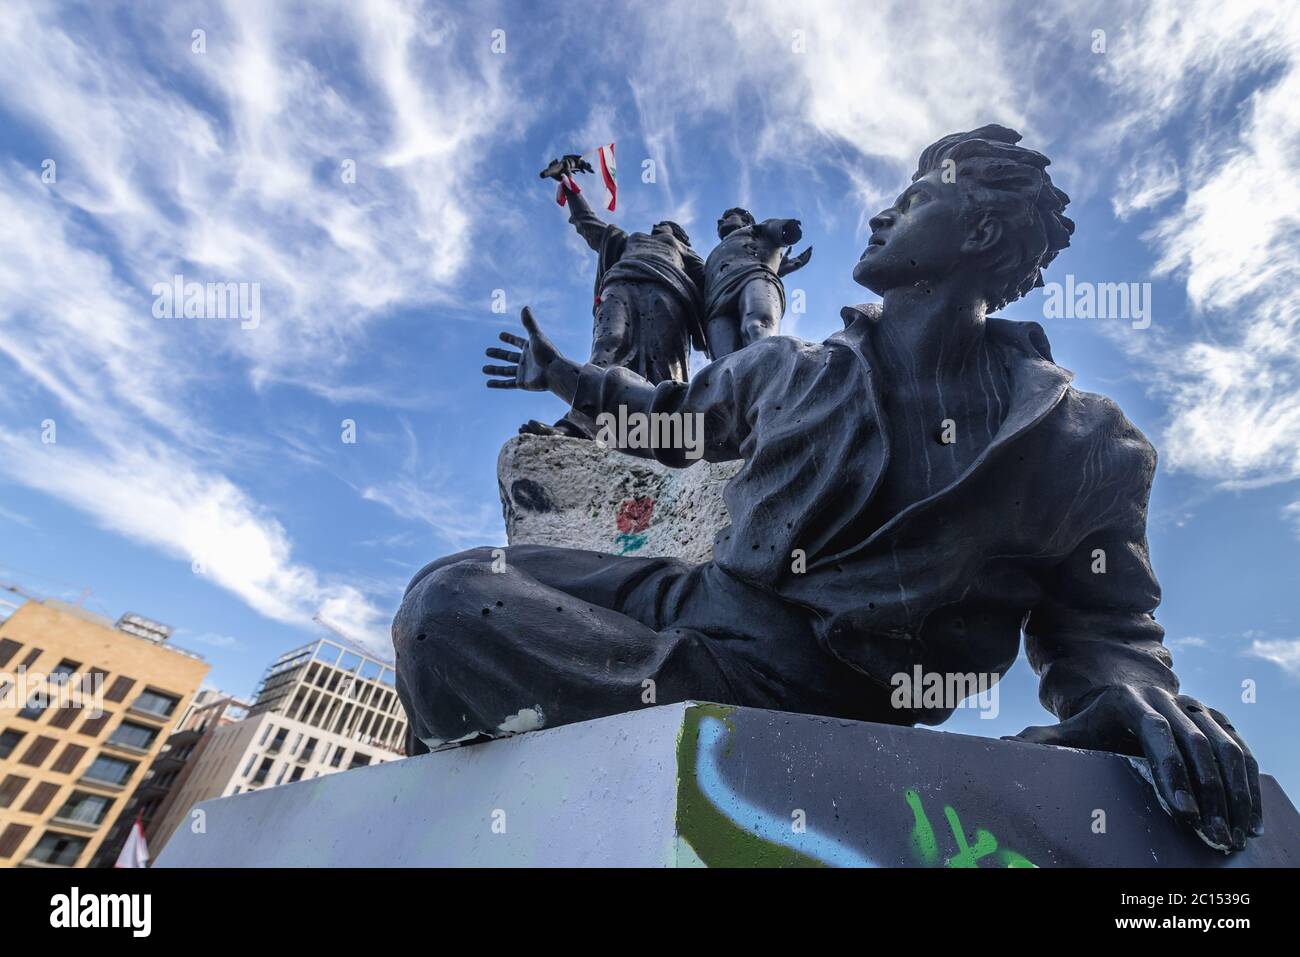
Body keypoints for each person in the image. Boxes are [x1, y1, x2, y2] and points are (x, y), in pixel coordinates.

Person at [401, 125, 1260, 853]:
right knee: (450, 599)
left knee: (449, 620)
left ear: (985, 237)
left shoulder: (1085, 444)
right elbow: (671, 420)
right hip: (692, 608)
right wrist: (569, 380)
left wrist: (1138, 697)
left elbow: (1105, 628)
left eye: (921, 198)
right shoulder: (789, 370)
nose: (885, 212)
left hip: (823, 702)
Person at [516, 170, 706, 437]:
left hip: (669, 295)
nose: (658, 227)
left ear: (681, 237)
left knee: (664, 362)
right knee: (607, 349)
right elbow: (588, 224)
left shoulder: (686, 253)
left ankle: (663, 436)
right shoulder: (628, 240)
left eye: (667, 227)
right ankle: (578, 427)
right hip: (621, 285)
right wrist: (570, 189)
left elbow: (720, 278)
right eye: (658, 225)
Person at [702, 207, 811, 359]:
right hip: (716, 303)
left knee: (756, 328)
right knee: (723, 357)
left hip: (753, 277)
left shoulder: (754, 230)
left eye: (728, 217)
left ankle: (768, 375)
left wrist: (785, 229)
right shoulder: (712, 256)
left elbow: (773, 227)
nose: (721, 221)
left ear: (745, 220)